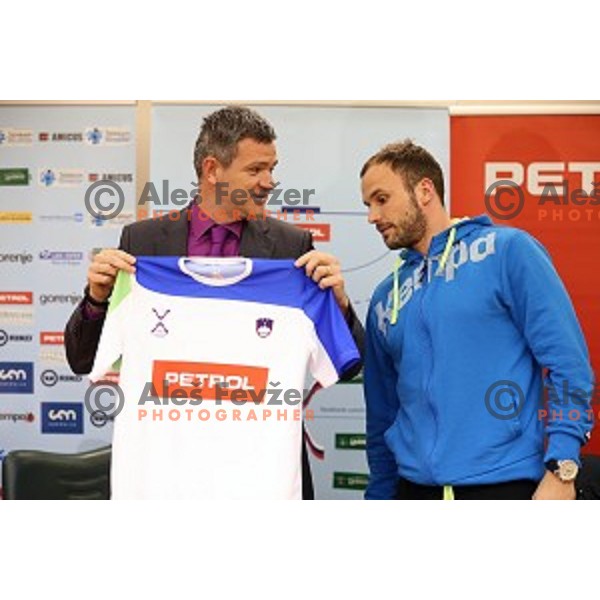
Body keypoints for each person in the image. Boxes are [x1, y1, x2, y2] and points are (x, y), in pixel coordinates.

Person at [65, 105, 364, 500]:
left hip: (262, 480)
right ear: (212, 170)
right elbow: (82, 359)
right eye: (255, 170)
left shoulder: (293, 249)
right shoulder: (143, 243)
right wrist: (96, 299)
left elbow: (349, 362)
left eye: (272, 168)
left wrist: (339, 304)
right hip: (169, 478)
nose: (269, 182)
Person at [361, 139, 594, 500]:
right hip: (411, 490)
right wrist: (379, 494)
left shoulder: (507, 251)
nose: (372, 216)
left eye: (381, 199)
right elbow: (382, 413)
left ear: (424, 190)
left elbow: (569, 365)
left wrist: (562, 467)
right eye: (367, 205)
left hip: (503, 485)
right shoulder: (384, 297)